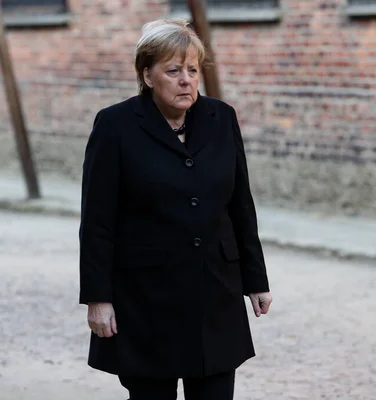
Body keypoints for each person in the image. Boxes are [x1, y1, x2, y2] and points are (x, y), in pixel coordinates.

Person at [79, 19, 273, 400]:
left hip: (215, 292)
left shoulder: (221, 119)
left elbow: (240, 205)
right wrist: (98, 298)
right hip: (146, 299)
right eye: (173, 71)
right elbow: (98, 220)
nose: (186, 80)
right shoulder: (115, 126)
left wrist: (255, 280)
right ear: (148, 76)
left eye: (192, 70)